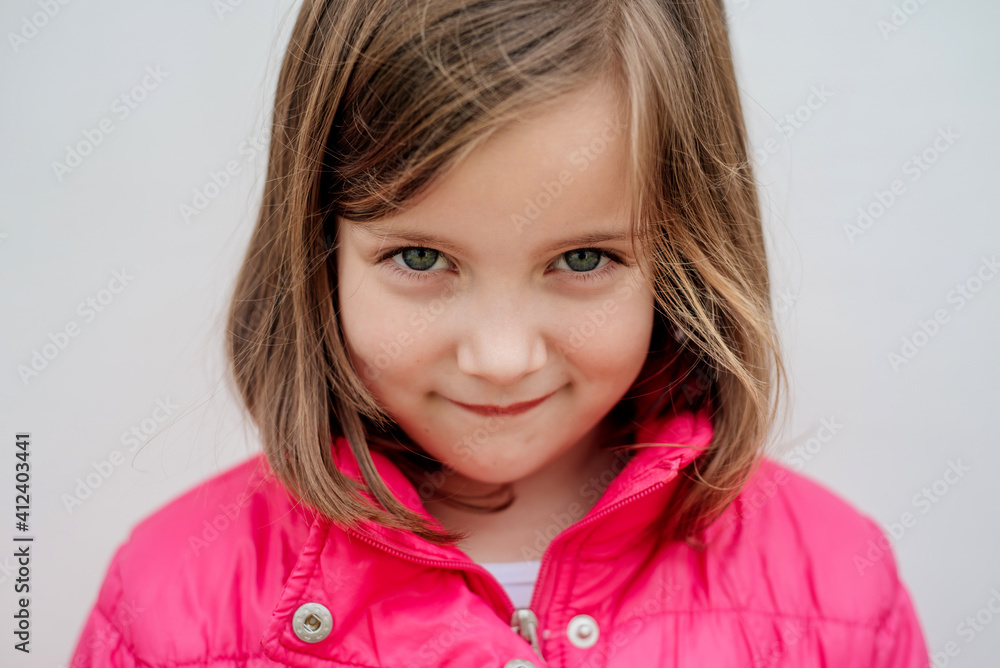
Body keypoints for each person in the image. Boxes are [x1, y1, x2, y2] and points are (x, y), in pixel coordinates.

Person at [68, 0, 931, 666]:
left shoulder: (838, 587)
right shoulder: (171, 598)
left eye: (584, 258)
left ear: (687, 248)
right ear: (317, 244)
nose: (501, 357)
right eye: (419, 258)